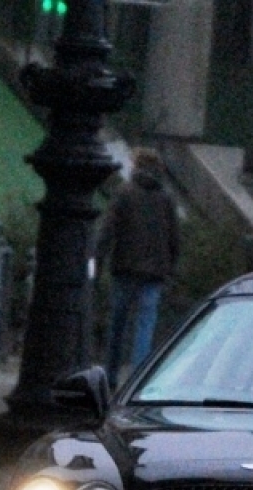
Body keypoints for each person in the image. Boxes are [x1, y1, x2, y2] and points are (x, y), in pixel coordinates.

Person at [95, 147, 180, 387]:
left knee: (118, 325)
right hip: (154, 272)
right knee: (145, 325)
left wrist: (98, 262)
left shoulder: (124, 193)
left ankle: (110, 376)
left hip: (125, 268)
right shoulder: (165, 198)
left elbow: (107, 231)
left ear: (136, 166)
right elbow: (174, 238)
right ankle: (136, 379)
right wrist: (171, 268)